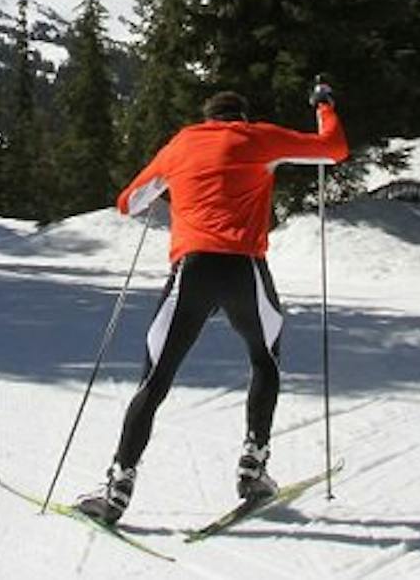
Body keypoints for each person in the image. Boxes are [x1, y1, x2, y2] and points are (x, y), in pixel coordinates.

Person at [76, 79, 347, 525]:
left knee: (155, 381)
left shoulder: (180, 145)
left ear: (207, 119)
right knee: (265, 358)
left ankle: (117, 488)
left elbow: (128, 203)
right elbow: (333, 149)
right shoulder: (259, 138)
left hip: (193, 271)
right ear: (241, 117)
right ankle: (252, 465)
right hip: (244, 270)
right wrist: (324, 105)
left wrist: (170, 184)